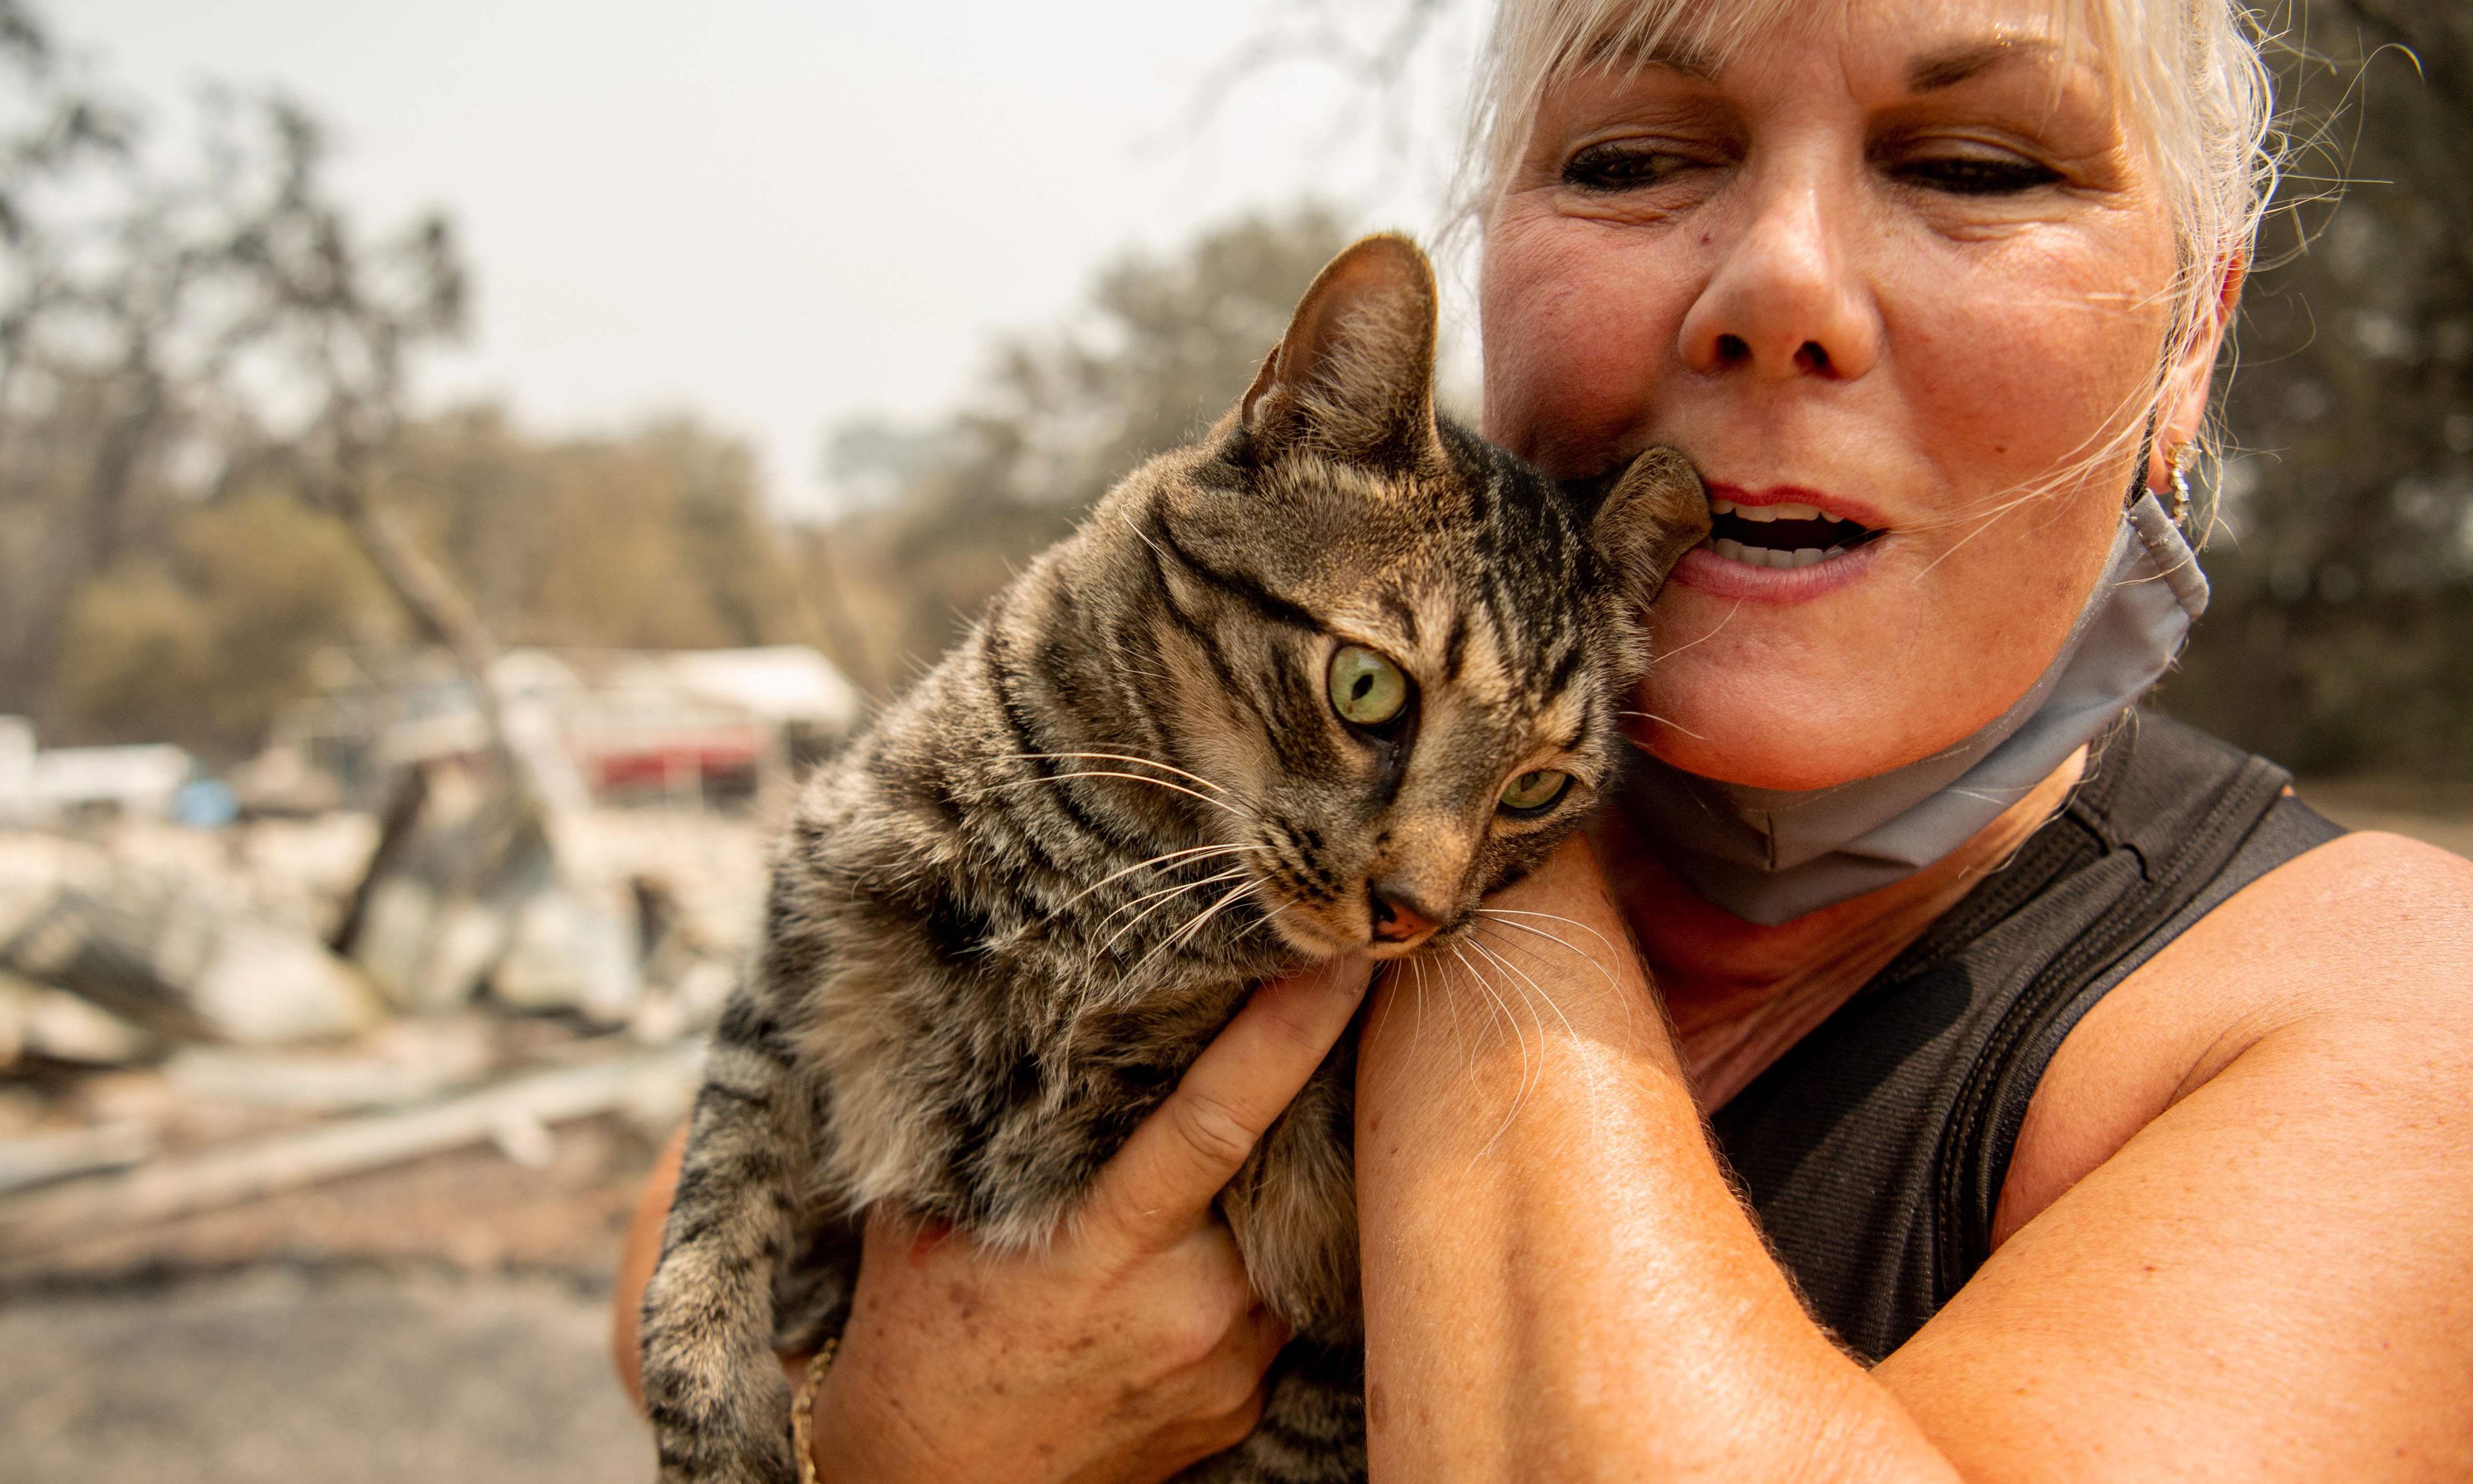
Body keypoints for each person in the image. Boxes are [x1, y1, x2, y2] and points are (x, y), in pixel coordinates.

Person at [615, 0, 2473, 1475]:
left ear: (2193, 345)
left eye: (1979, 165)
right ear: (1492, 257)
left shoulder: (2394, 1015)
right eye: (1634, 156)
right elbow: (702, 1235)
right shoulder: (1216, 723)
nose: (1781, 294)